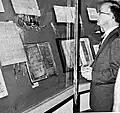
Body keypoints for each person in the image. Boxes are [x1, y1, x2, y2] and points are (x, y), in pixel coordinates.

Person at [81, 0, 120, 112]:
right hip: (101, 99)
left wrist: (93, 75)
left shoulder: (117, 39)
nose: (97, 15)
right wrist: (92, 67)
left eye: (100, 12)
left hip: (107, 102)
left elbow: (116, 73)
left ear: (111, 16)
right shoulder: (110, 36)